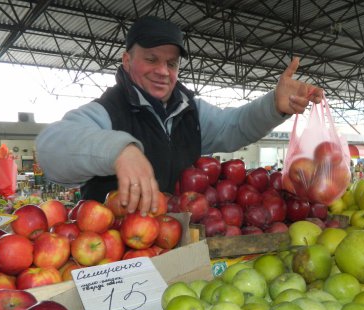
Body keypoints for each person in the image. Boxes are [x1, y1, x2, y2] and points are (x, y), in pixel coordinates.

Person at [36, 16, 323, 215]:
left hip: (181, 246)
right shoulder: (107, 112)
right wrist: (119, 151)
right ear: (126, 60)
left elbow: (233, 127)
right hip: (118, 264)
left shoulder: (190, 111)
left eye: (171, 63)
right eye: (151, 59)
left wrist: (274, 104)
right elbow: (50, 149)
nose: (162, 71)